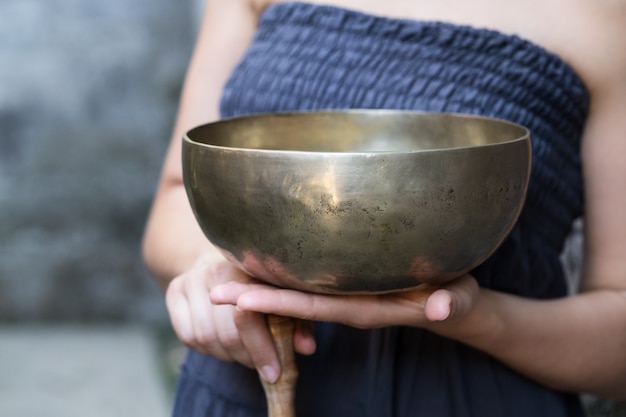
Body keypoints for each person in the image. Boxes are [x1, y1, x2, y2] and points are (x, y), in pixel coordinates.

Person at [142, 1, 626, 416]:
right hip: (250, 383)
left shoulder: (606, 16)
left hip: (465, 396)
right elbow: (175, 198)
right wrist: (214, 277)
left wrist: (479, 318)